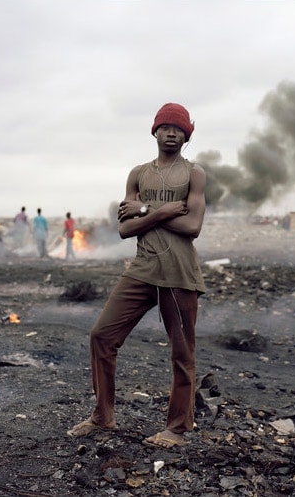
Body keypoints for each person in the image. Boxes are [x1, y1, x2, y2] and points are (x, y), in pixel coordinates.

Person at [68, 103, 206, 449]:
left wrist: (145, 210)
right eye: (165, 128)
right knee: (102, 335)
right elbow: (125, 229)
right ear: (155, 131)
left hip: (179, 274)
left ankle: (176, 429)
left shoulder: (194, 174)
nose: (171, 134)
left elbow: (192, 227)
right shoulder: (138, 174)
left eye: (178, 129)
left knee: (182, 352)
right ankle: (103, 416)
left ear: (187, 135)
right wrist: (159, 211)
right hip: (142, 270)